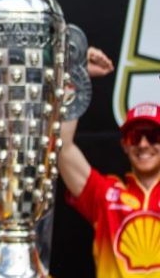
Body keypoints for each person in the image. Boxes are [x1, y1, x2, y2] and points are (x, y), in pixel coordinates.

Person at [59, 90, 160, 278]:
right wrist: (75, 82)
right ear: (125, 145)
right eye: (135, 137)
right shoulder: (106, 194)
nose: (144, 144)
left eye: (153, 136)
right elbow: (63, 148)